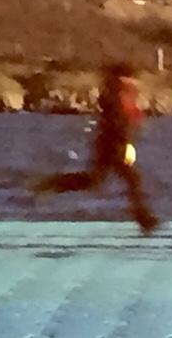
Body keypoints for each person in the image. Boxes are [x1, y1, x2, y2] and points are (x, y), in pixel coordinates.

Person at [32, 62, 159, 235]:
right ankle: (144, 220)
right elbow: (116, 123)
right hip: (111, 145)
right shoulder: (112, 97)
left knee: (94, 181)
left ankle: (50, 184)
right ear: (122, 79)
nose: (134, 81)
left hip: (112, 144)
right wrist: (124, 144)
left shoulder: (119, 95)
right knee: (130, 180)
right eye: (130, 78)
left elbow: (127, 119)